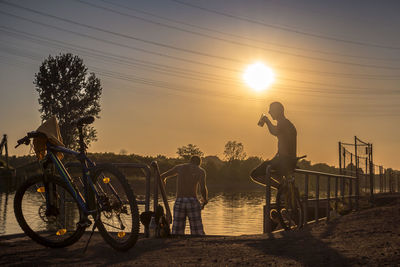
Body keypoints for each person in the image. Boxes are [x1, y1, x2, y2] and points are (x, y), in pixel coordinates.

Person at [250, 101, 297, 188]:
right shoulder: (287, 124)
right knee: (273, 171)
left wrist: (267, 121)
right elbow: (283, 143)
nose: (269, 112)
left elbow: (274, 131)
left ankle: (280, 187)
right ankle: (286, 187)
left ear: (278, 111)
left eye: (271, 110)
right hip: (290, 161)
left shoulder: (284, 123)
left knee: (255, 174)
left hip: (284, 161)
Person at [161, 155, 208, 235]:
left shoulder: (179, 168)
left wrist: (163, 184)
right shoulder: (200, 171)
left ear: (190, 161)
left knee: (176, 232)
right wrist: (204, 200)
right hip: (192, 201)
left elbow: (162, 176)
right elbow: (202, 188)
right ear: (199, 163)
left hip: (180, 201)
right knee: (197, 233)